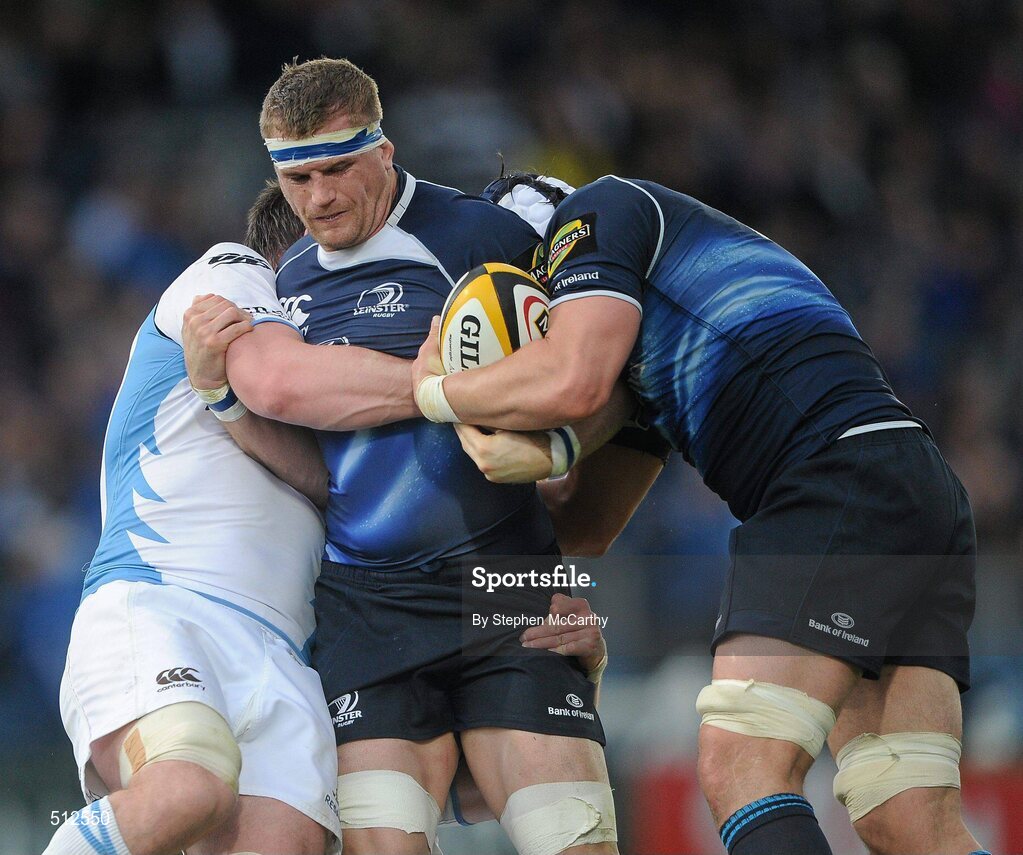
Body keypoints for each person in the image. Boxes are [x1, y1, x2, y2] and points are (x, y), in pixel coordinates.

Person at [412, 172, 987, 855]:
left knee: (743, 767)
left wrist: (435, 390)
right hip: (904, 484)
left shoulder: (597, 211)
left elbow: (570, 380)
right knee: (907, 817)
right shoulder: (648, 343)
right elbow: (582, 526)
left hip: (829, 483)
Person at [183, 58, 660, 855]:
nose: (319, 198)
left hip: (507, 589)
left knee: (574, 840)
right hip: (369, 608)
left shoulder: (487, 239)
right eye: (296, 179)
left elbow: (605, 385)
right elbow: (318, 479)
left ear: (385, 150)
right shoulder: (286, 285)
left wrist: (569, 524)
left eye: (337, 169)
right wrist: (225, 400)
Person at [46, 182, 340, 855]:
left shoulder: (346, 376)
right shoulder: (233, 271)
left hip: (286, 655)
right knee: (186, 786)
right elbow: (279, 389)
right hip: (165, 598)